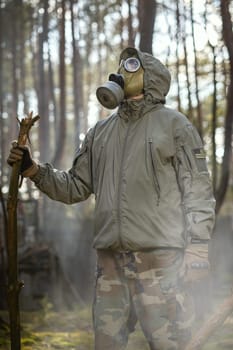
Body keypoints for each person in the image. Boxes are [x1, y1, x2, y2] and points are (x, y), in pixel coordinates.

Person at [8, 47, 216, 350]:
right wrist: (33, 169)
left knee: (173, 344)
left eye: (132, 65)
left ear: (151, 77)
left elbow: (198, 189)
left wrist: (198, 248)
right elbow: (76, 187)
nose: (122, 69)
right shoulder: (100, 132)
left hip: (160, 265)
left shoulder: (175, 126)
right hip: (110, 268)